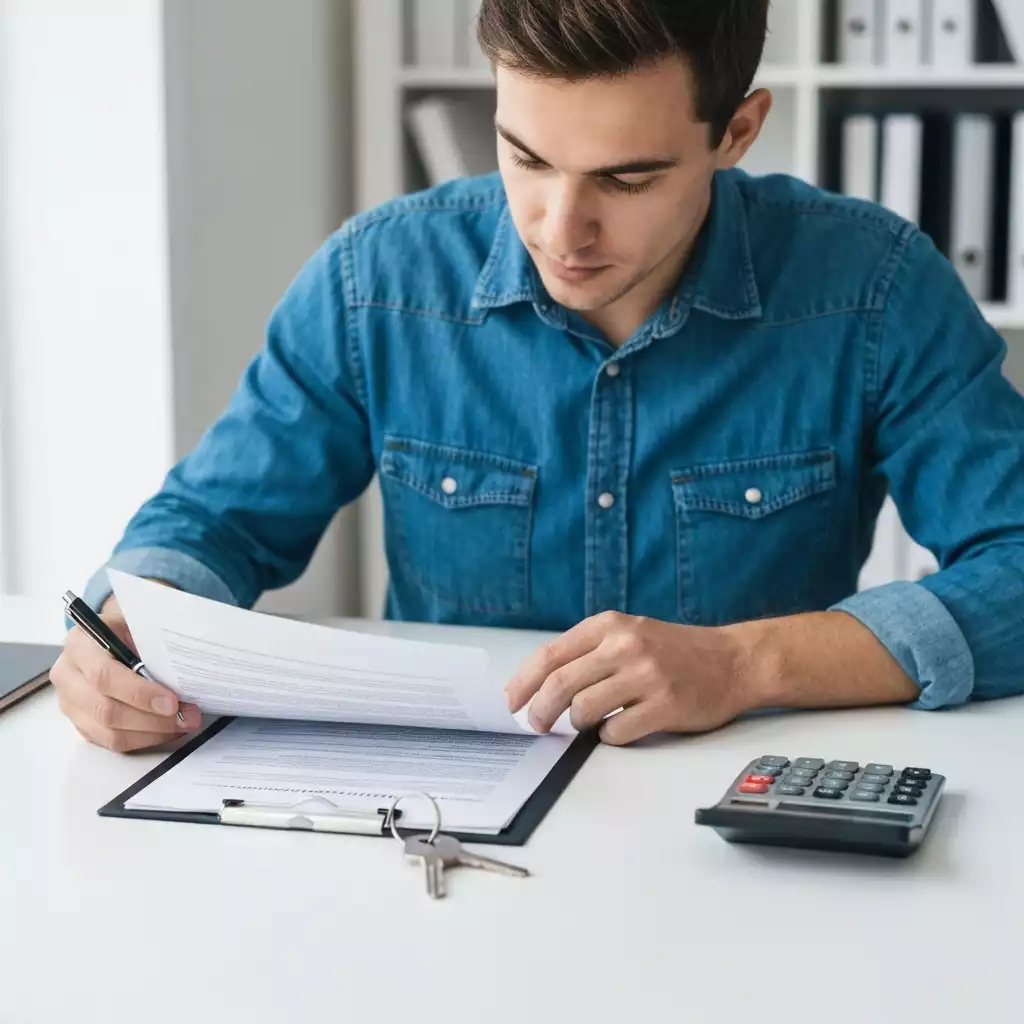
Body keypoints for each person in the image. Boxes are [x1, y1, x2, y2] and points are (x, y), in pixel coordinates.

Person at [52, 0, 1024, 753]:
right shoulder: (377, 281)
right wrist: (126, 627)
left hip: (736, 832)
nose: (561, 229)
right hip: (441, 835)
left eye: (626, 178)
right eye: (525, 155)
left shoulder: (872, 288)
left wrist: (743, 662)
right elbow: (211, 523)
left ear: (736, 132)